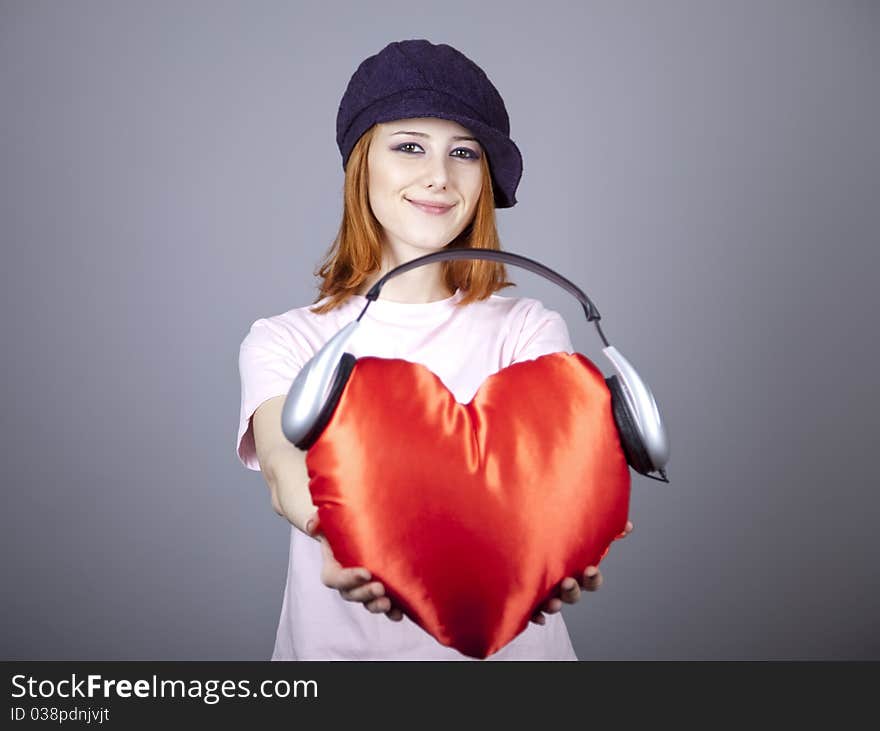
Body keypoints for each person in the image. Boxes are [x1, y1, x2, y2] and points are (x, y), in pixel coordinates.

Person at [236, 39, 633, 660]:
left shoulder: (528, 329)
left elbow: (549, 487)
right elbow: (287, 471)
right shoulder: (286, 339)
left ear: (484, 179)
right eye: (409, 146)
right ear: (362, 162)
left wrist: (571, 537)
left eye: (464, 154)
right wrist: (336, 535)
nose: (439, 177)